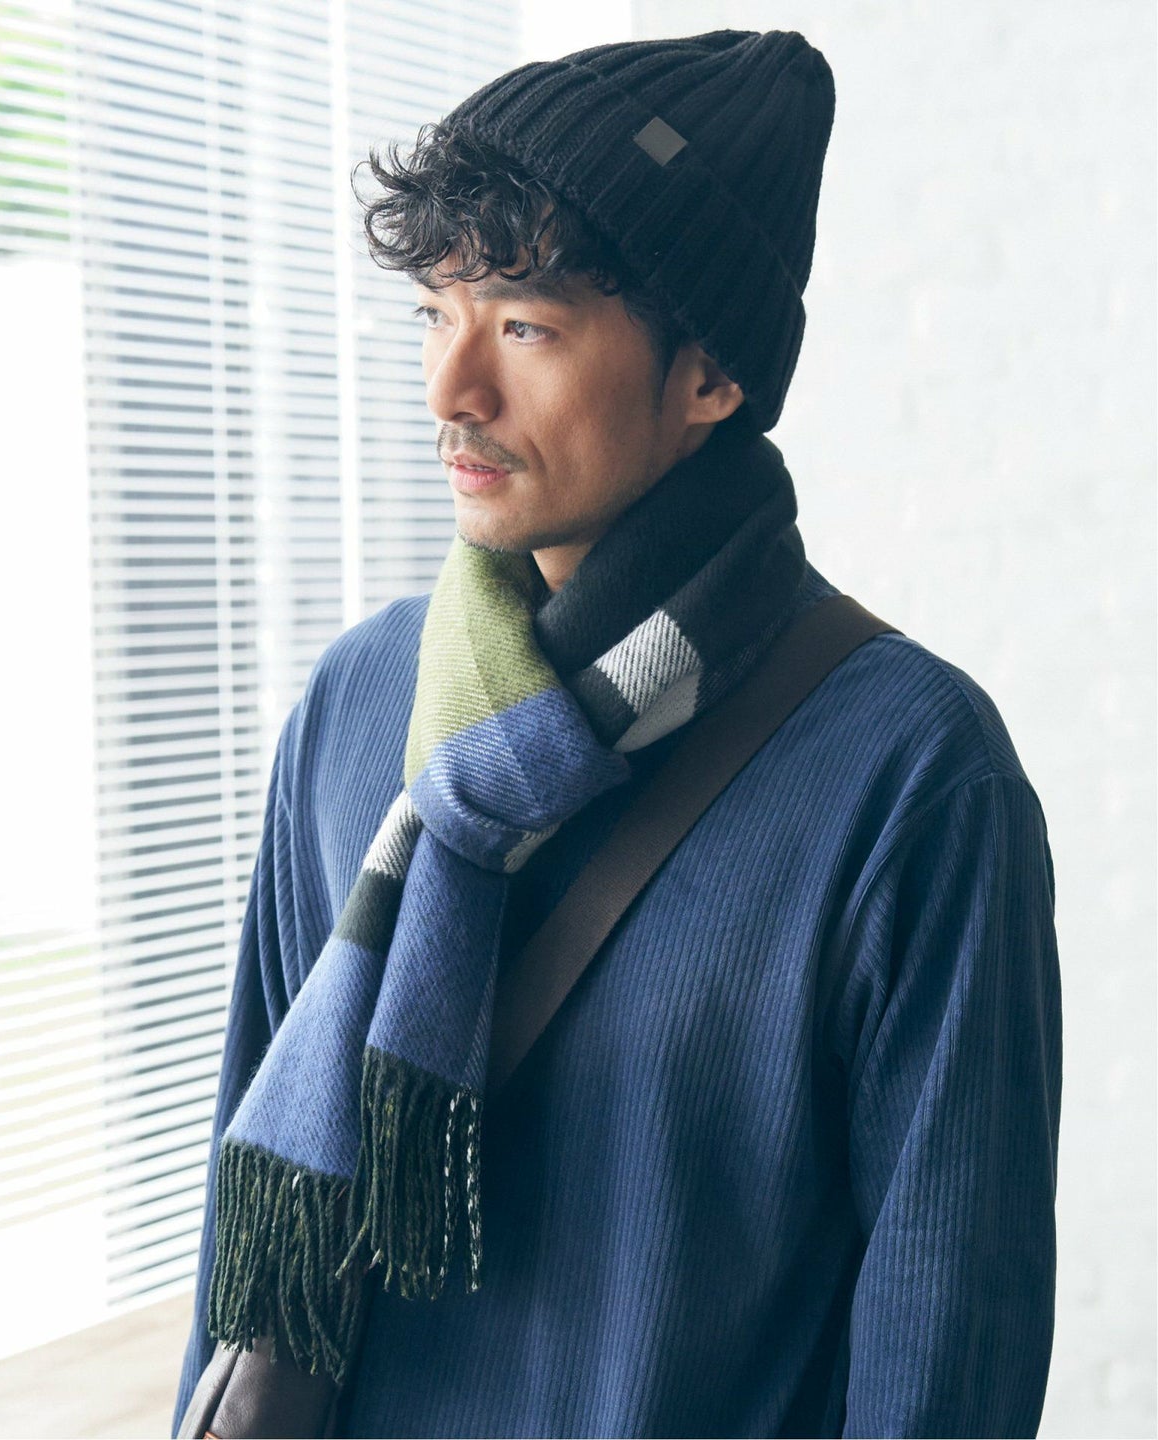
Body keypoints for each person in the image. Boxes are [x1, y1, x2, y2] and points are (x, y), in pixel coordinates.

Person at [173, 29, 1062, 1440]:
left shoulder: (910, 774)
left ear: (710, 375)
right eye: (434, 313)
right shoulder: (361, 703)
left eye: (523, 326)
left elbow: (947, 1351)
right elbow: (248, 1248)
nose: (450, 389)